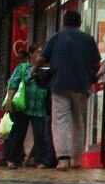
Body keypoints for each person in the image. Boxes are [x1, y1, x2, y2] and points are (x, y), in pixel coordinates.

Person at [41, 9, 101, 170]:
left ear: (63, 22)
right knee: (78, 121)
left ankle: (63, 159)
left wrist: (34, 69)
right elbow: (97, 64)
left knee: (60, 121)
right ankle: (76, 159)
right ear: (80, 23)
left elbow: (42, 58)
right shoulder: (88, 39)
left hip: (59, 85)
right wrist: (90, 75)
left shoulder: (56, 37)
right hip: (82, 86)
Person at [3, 45, 56, 170]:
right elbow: (14, 83)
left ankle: (39, 161)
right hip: (23, 106)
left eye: (42, 53)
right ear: (31, 54)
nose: (40, 55)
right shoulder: (23, 68)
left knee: (40, 135)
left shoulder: (47, 70)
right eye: (38, 52)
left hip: (40, 107)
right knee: (18, 134)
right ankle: (12, 159)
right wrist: (9, 100)